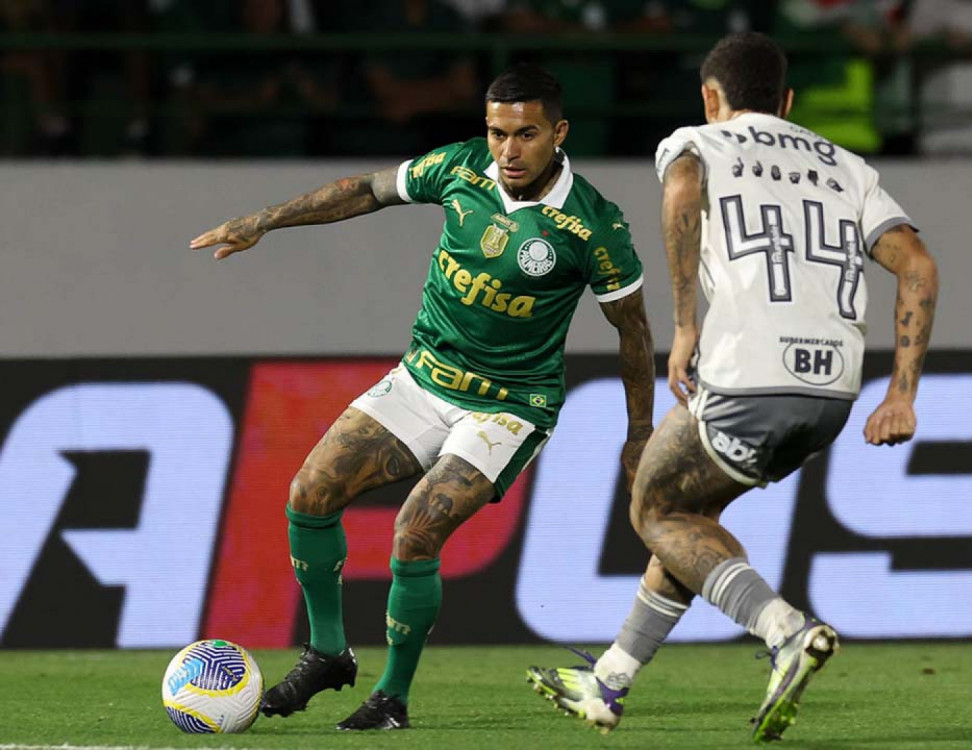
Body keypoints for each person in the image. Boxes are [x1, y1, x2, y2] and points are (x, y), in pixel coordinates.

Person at [190, 63, 655, 731]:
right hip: (422, 378)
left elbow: (633, 331)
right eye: (497, 133)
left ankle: (392, 698)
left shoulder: (594, 226)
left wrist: (639, 432)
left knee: (416, 530)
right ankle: (327, 652)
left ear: (559, 133)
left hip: (509, 405)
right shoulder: (460, 169)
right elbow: (366, 192)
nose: (508, 150)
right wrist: (265, 220)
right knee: (308, 493)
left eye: (525, 135)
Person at [526, 32, 938, 743]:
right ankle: (611, 680)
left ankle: (784, 631)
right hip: (832, 394)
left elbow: (683, 191)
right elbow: (920, 266)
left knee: (653, 508)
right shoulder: (848, 166)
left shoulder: (700, 142)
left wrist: (685, 325)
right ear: (787, 102)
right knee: (690, 522)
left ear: (712, 97)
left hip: (750, 372)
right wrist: (901, 394)